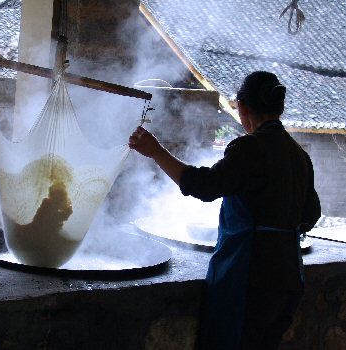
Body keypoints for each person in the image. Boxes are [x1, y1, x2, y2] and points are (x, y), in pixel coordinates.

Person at [129, 71, 321, 350]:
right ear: (279, 107)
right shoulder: (299, 155)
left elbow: (204, 186)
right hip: (289, 274)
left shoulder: (250, 147)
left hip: (251, 274)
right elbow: (310, 215)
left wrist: (156, 151)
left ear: (241, 106)